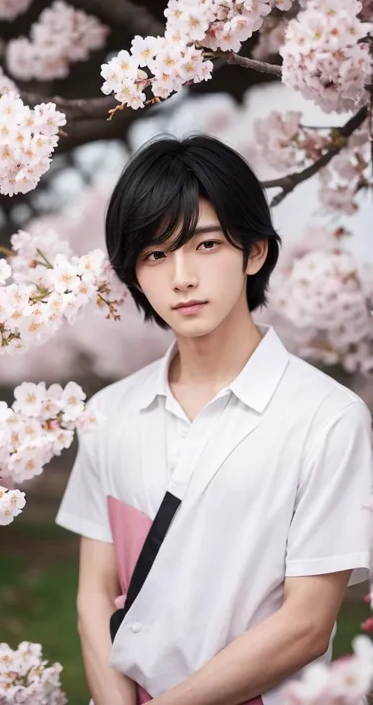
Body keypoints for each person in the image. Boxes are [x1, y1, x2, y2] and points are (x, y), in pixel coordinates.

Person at [55, 134, 373, 705]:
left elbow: (306, 625)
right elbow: (94, 595)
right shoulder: (110, 414)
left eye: (204, 245)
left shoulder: (328, 417)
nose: (180, 277)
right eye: (155, 255)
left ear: (253, 251)